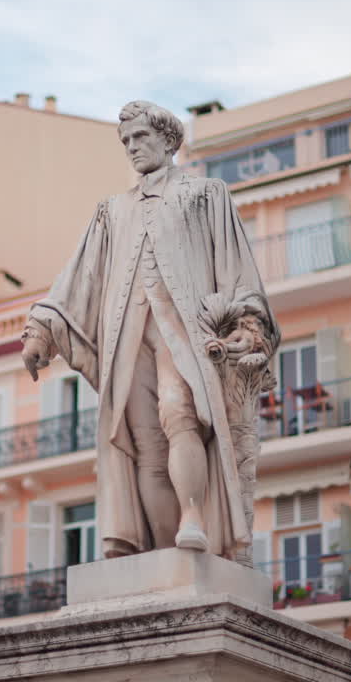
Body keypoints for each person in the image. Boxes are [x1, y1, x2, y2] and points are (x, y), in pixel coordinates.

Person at [21, 100, 279, 559]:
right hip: (127, 335)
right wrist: (42, 331)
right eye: (125, 141)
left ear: (167, 139)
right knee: (142, 442)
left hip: (184, 330)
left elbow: (236, 268)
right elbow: (79, 277)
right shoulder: (112, 211)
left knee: (180, 414)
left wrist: (247, 323)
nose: (132, 147)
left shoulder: (205, 194)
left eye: (140, 137)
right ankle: (162, 549)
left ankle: (195, 518)